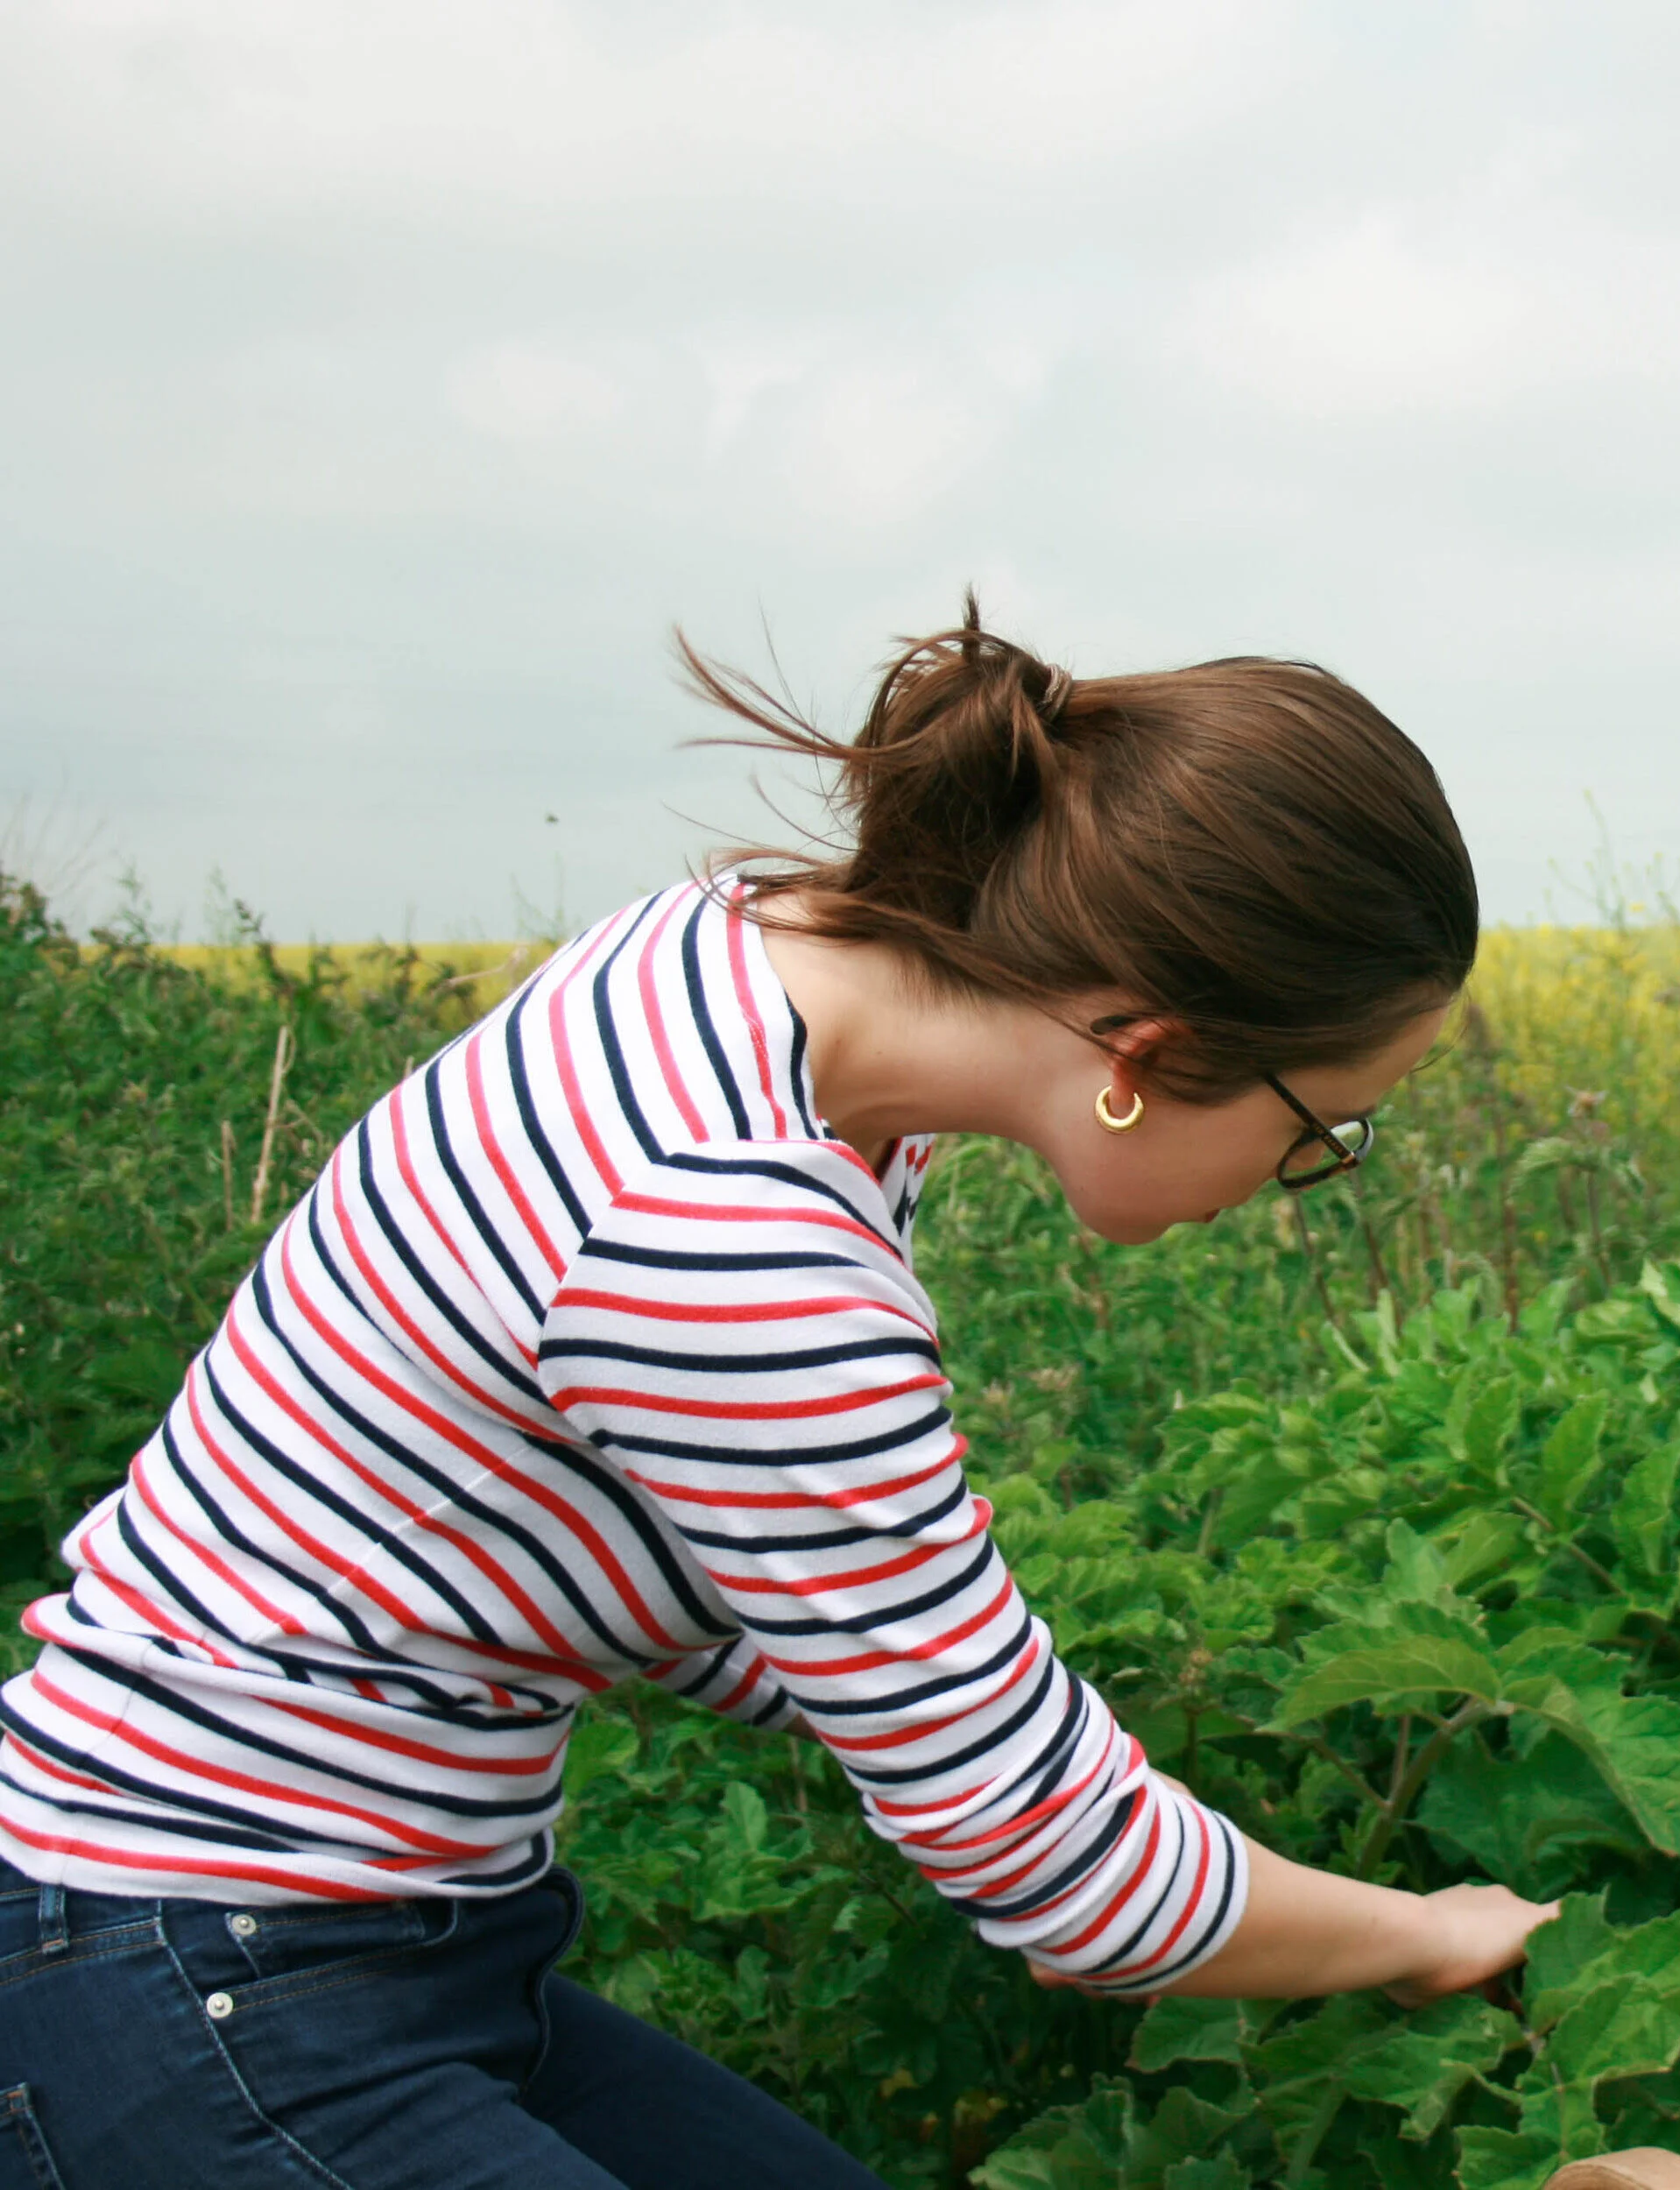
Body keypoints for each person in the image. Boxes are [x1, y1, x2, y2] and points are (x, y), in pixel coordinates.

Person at [0, 601, 1558, 2189]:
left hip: (380, 1927)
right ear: (1145, 1051)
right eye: (1326, 1127)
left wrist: (962, 1722)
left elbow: (675, 1565)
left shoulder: (742, 966)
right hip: (192, 1962)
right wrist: (1417, 1934)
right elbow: (1064, 1884)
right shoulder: (731, 1236)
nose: (1308, 1177)